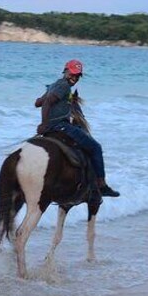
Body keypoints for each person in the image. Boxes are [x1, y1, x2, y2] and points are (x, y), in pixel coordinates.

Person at [35, 59, 120, 197]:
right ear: (65, 71)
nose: (74, 78)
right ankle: (101, 185)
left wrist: (48, 97)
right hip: (60, 126)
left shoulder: (54, 85)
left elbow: (38, 103)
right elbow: (47, 103)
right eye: (72, 73)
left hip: (53, 125)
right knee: (96, 147)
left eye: (77, 75)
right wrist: (44, 124)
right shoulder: (64, 87)